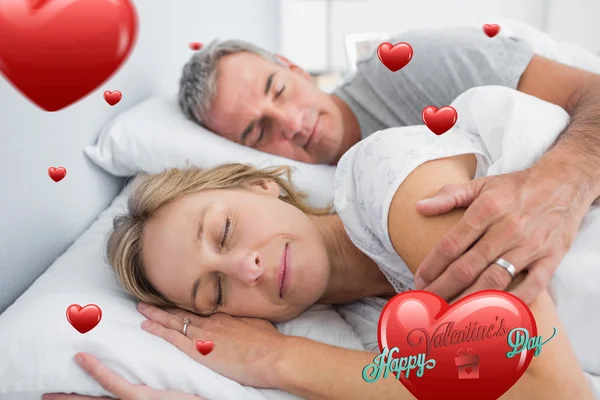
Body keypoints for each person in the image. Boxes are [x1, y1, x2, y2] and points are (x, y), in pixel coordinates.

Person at [45, 123, 596, 399]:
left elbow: (547, 390)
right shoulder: (366, 327)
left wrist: (281, 361)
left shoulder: (387, 180)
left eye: (225, 231)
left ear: (262, 186)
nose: (246, 269)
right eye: (214, 292)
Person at [176, 27, 600, 306]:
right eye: (258, 131)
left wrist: (559, 187)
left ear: (294, 67)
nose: (291, 123)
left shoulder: (407, 66)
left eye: (279, 90)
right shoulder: (326, 206)